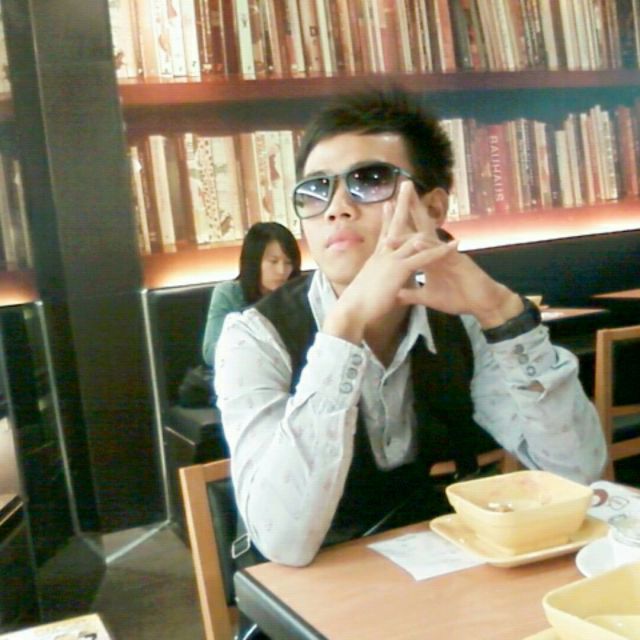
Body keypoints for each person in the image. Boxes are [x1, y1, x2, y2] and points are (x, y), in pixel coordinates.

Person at [215, 88, 606, 568]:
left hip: (439, 569)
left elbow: (577, 475)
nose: (336, 207)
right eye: (316, 189)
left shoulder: (459, 320)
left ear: (434, 210)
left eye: (370, 180)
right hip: (310, 587)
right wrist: (343, 329)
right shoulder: (253, 336)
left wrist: (503, 313)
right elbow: (283, 542)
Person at [201, 221, 301, 369]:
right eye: (273, 262)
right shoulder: (229, 293)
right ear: (254, 262)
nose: (282, 271)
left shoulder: (297, 293)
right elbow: (211, 353)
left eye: (288, 263)